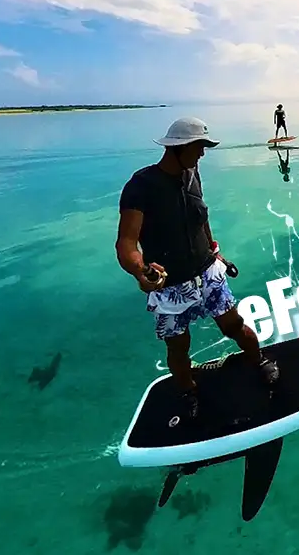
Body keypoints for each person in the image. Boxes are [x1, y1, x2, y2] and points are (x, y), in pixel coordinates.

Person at [115, 116, 279, 421]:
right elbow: (126, 244)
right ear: (178, 148)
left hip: (207, 273)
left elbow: (200, 216)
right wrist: (142, 271)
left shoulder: (192, 173)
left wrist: (215, 250)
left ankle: (258, 360)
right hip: (170, 287)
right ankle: (187, 390)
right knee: (178, 347)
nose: (202, 153)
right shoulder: (141, 186)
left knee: (234, 325)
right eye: (198, 147)